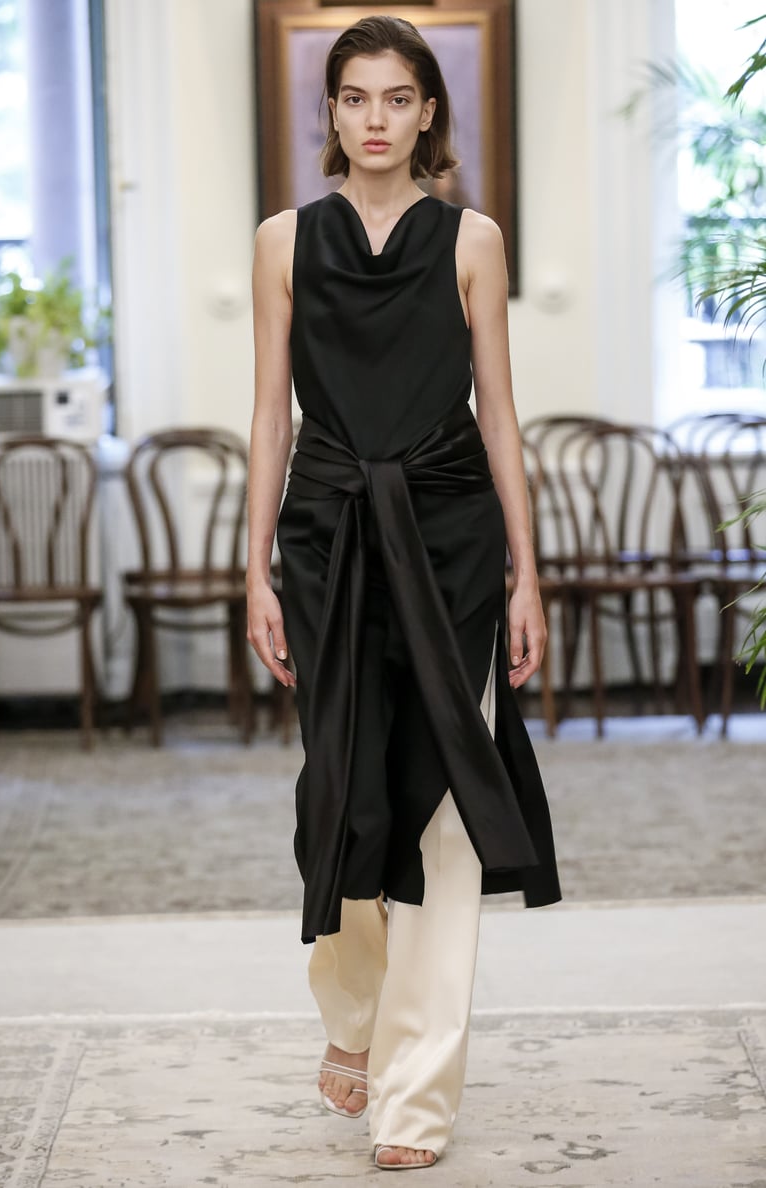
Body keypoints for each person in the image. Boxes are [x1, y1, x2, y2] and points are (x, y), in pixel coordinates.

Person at [247, 14, 561, 1171]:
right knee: (341, 792)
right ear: (329, 115)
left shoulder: (473, 240)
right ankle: (353, 1016)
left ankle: (416, 1101)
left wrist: (529, 576)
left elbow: (502, 415)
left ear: (429, 110)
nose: (375, 119)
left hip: (452, 537)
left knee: (443, 816)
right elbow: (270, 414)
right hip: (327, 535)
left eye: (397, 97)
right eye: (354, 98)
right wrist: (254, 571)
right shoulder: (283, 240)